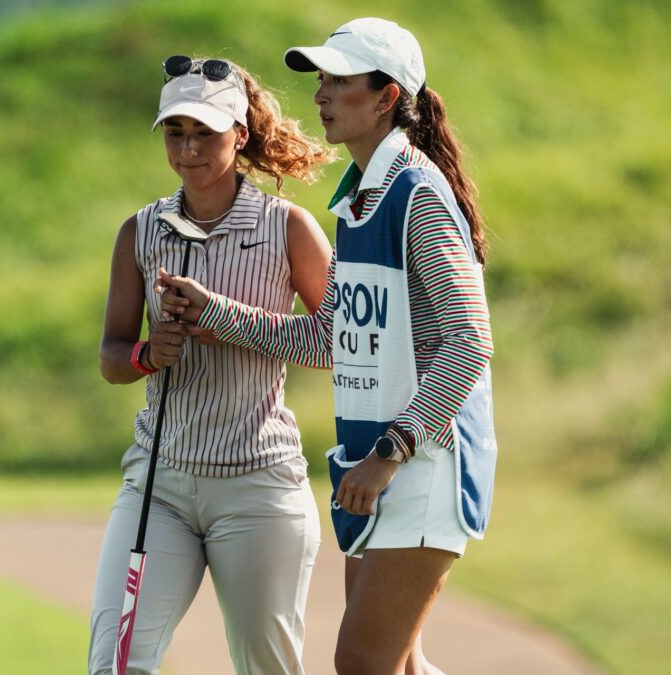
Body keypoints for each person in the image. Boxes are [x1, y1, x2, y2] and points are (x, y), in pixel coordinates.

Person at [159, 17, 497, 675]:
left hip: (422, 463)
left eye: (339, 81)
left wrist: (390, 452)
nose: (320, 95)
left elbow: (468, 340)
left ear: (386, 96)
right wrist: (217, 313)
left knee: (362, 664)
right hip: (381, 464)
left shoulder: (415, 195)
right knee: (395, 667)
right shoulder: (361, 202)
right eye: (321, 80)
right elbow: (328, 338)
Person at [88, 54, 334, 675]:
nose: (188, 148)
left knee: (266, 669)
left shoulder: (288, 229)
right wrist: (149, 355)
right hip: (159, 484)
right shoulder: (140, 232)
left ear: (240, 136)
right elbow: (112, 357)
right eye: (175, 131)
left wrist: (220, 316)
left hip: (258, 488)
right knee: (116, 665)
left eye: (205, 132)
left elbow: (339, 344)